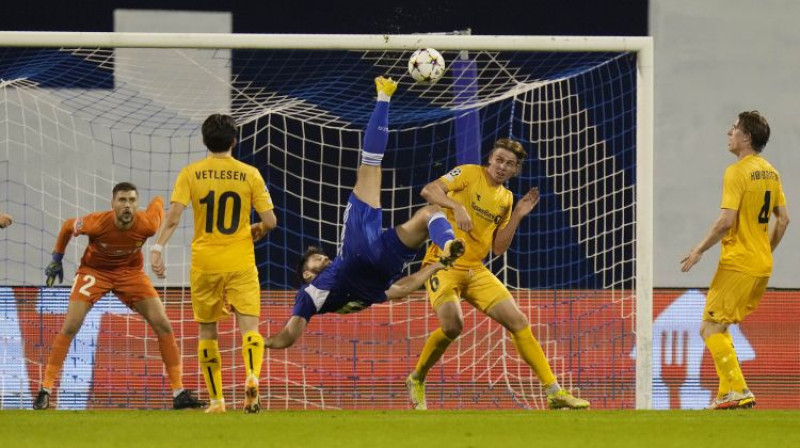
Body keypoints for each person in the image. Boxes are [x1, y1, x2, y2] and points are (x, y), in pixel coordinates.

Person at [266, 76, 464, 350]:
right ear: (308, 276)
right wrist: (261, 342)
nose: (321, 257)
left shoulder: (339, 301)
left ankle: (449, 242)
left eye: (319, 255)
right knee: (369, 165)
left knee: (430, 212)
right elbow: (287, 335)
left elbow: (400, 289)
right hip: (357, 255)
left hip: (382, 267)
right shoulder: (309, 293)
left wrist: (441, 264)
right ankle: (383, 96)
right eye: (313, 261)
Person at [405, 138, 590, 410]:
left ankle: (553, 391)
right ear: (490, 159)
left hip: (475, 270)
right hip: (442, 263)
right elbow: (429, 190)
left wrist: (516, 215)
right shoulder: (468, 173)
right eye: (499, 160)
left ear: (515, 170)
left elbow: (499, 249)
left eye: (510, 164)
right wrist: (456, 207)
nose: (502, 167)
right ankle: (417, 377)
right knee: (453, 326)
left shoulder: (506, 198)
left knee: (518, 321)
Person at [33, 182, 204, 410]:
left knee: (163, 324)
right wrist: (56, 258)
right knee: (71, 325)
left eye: (132, 201)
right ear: (113, 204)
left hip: (130, 274)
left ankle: (179, 393)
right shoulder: (96, 223)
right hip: (94, 273)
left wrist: (161, 203)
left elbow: (158, 205)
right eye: (122, 200)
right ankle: (45, 390)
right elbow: (67, 227)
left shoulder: (148, 224)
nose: (127, 206)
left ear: (137, 204)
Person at [150, 113, 277, 414]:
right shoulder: (250, 174)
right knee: (250, 328)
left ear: (205, 141)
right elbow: (271, 221)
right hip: (241, 260)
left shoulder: (191, 173)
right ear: (234, 141)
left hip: (205, 263)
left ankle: (218, 401)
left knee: (208, 333)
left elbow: (174, 216)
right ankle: (252, 376)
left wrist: (157, 247)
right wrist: (257, 229)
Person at [681, 110, 789, 410]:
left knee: (709, 328)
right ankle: (728, 393)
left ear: (747, 137)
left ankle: (737, 390)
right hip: (761, 264)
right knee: (721, 325)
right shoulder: (771, 171)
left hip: (738, 261)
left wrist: (699, 249)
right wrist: (765, 250)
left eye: (734, 128)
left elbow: (725, 221)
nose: (729, 132)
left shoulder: (736, 171)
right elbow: (784, 219)